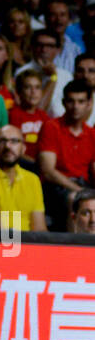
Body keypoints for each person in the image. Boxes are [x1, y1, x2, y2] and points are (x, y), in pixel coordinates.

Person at [36, 80, 95, 229]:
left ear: (89, 103)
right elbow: (48, 172)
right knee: (74, 198)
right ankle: (74, 247)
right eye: (71, 101)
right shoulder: (51, 127)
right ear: (63, 102)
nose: (75, 107)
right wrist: (78, 190)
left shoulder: (92, 133)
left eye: (81, 102)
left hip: (84, 185)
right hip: (56, 186)